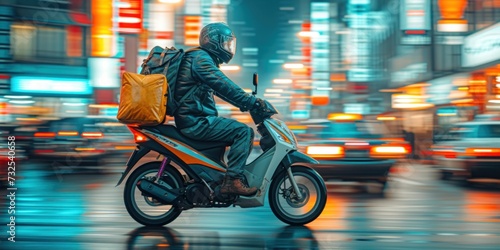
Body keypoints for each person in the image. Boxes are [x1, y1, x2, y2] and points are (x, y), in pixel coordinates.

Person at [173, 22, 267, 196]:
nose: (228, 47)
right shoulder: (200, 59)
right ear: (214, 41)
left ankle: (216, 179)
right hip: (196, 121)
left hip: (194, 118)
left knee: (234, 130)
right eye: (226, 43)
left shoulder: (201, 59)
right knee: (243, 132)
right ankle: (232, 181)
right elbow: (223, 85)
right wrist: (251, 102)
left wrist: (243, 103)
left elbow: (219, 90)